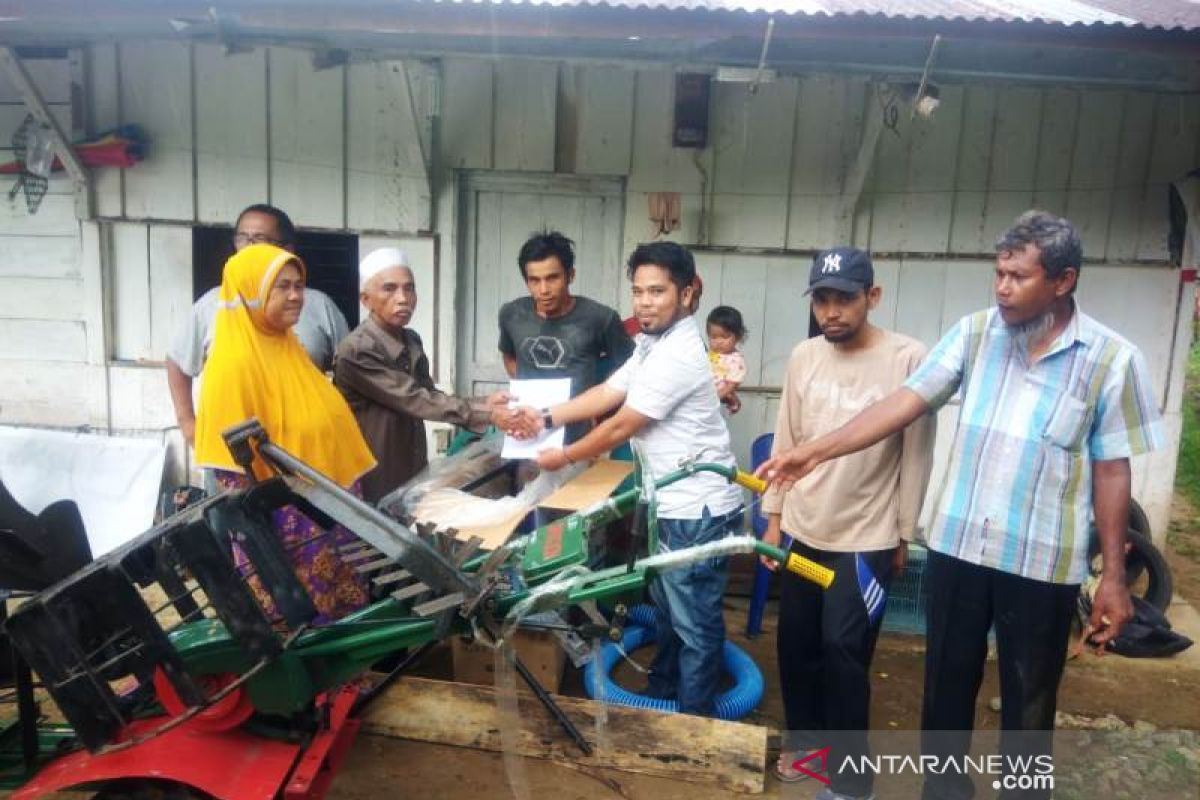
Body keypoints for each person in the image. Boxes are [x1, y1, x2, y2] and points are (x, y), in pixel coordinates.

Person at [757, 211, 1164, 799]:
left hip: (1041, 562)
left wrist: (1115, 579)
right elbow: (904, 403)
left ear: (1063, 280)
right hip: (959, 550)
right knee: (944, 697)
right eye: (998, 273)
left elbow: (1112, 469)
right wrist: (815, 452)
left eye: (1017, 277)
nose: (1001, 288)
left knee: (1030, 703)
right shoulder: (975, 334)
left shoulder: (1112, 360)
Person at [515, 241, 744, 717]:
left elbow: (622, 423)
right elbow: (607, 391)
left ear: (686, 293)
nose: (644, 302)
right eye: (638, 291)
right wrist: (542, 415)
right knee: (666, 613)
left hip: (696, 511)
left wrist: (564, 455)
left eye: (657, 291)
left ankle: (694, 729)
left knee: (696, 628)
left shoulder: (679, 352)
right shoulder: (651, 343)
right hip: (669, 504)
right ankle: (662, 703)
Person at [760, 248, 934, 798]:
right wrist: (772, 521)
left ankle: (851, 779)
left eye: (844, 299)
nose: (831, 311)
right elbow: (786, 441)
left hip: (866, 538)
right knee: (796, 642)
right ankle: (807, 744)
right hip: (805, 529)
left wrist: (904, 532)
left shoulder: (908, 359)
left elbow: (917, 453)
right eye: (822, 299)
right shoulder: (804, 357)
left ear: (872, 297)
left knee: (843, 650)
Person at [194, 243, 375, 623]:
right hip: (290, 530)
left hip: (326, 513)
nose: (296, 295)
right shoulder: (234, 364)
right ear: (251, 292)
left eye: (299, 285)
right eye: (282, 286)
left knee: (344, 622)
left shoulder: (287, 348)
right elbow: (233, 475)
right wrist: (269, 539)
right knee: (304, 624)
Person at [334, 248, 515, 503]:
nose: (403, 298)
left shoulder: (410, 339)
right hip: (375, 469)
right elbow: (413, 399)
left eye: (409, 288)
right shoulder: (357, 349)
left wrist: (484, 404)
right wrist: (486, 413)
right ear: (366, 299)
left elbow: (430, 396)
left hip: (410, 460)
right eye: (389, 289)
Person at [167, 204, 350, 447]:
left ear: (286, 248)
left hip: (301, 450)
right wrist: (187, 422)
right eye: (242, 238)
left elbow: (349, 371)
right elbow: (177, 361)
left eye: (259, 239)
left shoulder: (316, 305)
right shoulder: (213, 304)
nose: (248, 246)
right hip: (233, 455)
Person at [498, 231, 634, 444]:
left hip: (579, 436)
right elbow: (509, 356)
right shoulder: (511, 314)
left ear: (570, 275)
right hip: (525, 431)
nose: (543, 290)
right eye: (534, 280)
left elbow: (630, 368)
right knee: (526, 477)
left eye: (552, 278)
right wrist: (529, 389)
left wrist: (598, 405)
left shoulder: (601, 318)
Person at [705, 305, 747, 412]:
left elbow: (731, 385)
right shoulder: (708, 354)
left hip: (719, 398)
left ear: (738, 336)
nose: (719, 342)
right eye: (713, 337)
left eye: (725, 337)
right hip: (703, 394)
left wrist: (716, 398)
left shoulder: (736, 361)